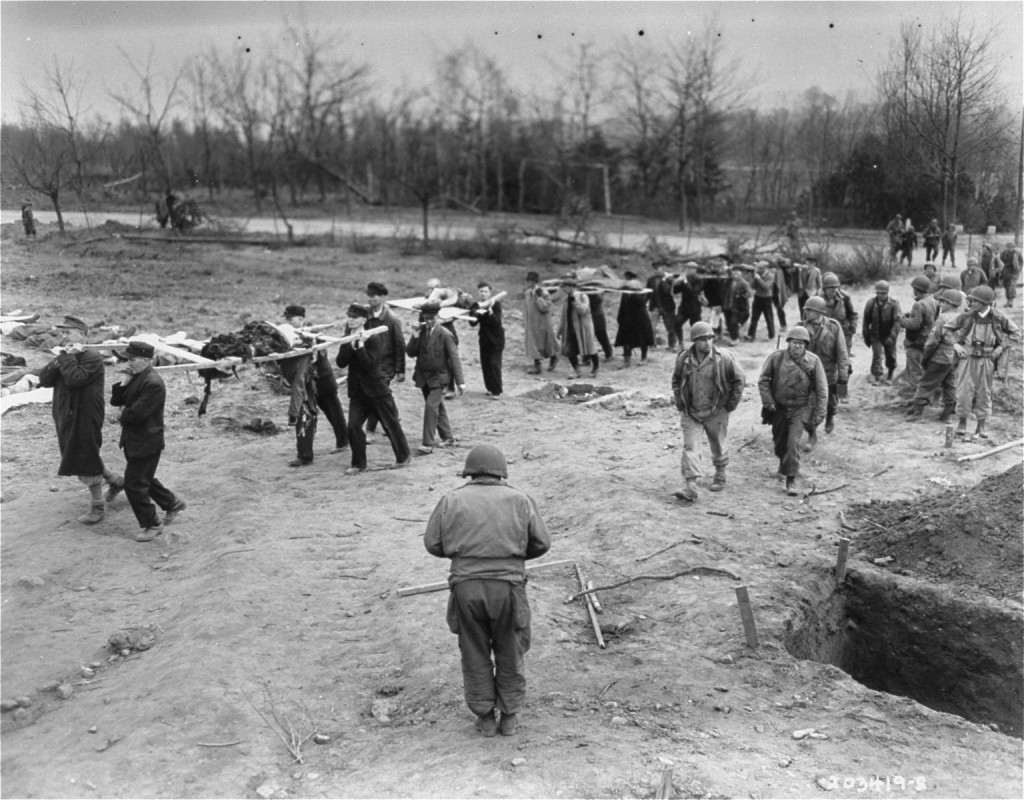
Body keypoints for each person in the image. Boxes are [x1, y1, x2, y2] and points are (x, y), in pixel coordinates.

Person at [424, 444, 551, 737]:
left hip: (466, 589)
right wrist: (513, 557)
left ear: (469, 472)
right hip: (508, 588)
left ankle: (484, 718)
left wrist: (463, 555)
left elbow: (433, 543)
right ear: (501, 472)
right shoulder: (520, 499)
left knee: (473, 650)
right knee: (510, 648)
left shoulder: (450, 500)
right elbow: (542, 543)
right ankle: (509, 717)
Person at [37, 322, 124, 525]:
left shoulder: (92, 357)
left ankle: (98, 507)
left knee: (86, 454)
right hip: (65, 413)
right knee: (79, 452)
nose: (64, 336)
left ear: (83, 335)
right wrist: (59, 359)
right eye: (63, 332)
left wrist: (65, 358)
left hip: (86, 415)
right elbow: (45, 379)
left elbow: (75, 379)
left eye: (69, 332)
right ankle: (117, 481)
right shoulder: (66, 356)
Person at [109, 341, 185, 542]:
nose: (128, 363)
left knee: (134, 484)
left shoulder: (153, 383)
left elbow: (136, 415)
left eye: (132, 359)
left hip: (146, 441)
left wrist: (120, 416)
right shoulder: (137, 377)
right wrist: (124, 382)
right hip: (135, 440)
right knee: (144, 478)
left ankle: (152, 524)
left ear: (146, 360)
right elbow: (116, 402)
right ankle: (172, 503)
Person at [670, 321, 745, 501]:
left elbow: (739, 380)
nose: (708, 343)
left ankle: (720, 473)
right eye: (703, 339)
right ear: (694, 341)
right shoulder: (684, 358)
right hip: (692, 411)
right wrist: (681, 403)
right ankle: (691, 486)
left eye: (710, 338)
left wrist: (730, 405)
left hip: (716, 410)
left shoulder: (724, 358)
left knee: (718, 444)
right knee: (690, 447)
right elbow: (676, 380)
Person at [335, 303, 411, 473]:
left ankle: (403, 456)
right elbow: (341, 362)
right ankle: (358, 464)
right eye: (349, 317)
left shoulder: (374, 338)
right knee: (353, 426)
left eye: (354, 317)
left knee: (390, 423)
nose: (350, 320)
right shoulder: (347, 337)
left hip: (377, 389)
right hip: (358, 392)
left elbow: (369, 365)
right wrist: (350, 344)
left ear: (363, 319)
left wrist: (361, 346)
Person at [757, 326, 828, 496]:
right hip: (779, 408)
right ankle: (784, 465)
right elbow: (763, 380)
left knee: (792, 443)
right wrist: (769, 401)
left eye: (801, 344)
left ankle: (791, 479)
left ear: (805, 345)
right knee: (780, 443)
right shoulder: (776, 358)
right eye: (794, 343)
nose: (797, 347)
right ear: (788, 343)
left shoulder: (813, 362)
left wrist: (820, 413)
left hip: (800, 408)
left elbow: (822, 389)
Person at [948, 285, 1020, 439]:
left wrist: (1001, 347)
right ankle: (962, 423)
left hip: (988, 360)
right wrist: (956, 344)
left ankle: (981, 426)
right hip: (967, 358)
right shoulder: (967, 316)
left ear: (985, 303)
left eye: (975, 301)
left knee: (984, 392)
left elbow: (1016, 333)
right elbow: (947, 329)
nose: (971, 303)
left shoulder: (998, 317)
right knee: (963, 391)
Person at [407, 301, 465, 455]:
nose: (429, 321)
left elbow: (454, 358)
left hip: (439, 378)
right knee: (438, 406)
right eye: (426, 318)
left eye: (432, 318)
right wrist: (414, 336)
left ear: (438, 316)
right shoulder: (421, 332)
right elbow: (411, 352)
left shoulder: (445, 334)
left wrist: (460, 382)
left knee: (431, 407)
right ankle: (448, 437)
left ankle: (427, 443)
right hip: (423, 377)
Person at [276, 306, 326, 467]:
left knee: (304, 416)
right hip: (300, 381)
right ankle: (306, 453)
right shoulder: (287, 335)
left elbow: (300, 382)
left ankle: (305, 456)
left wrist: (292, 411)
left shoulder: (310, 337)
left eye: (292, 319)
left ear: (301, 319)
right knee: (311, 415)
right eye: (288, 319)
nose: (289, 322)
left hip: (308, 383)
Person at [906, 289, 965, 421]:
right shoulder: (962, 318)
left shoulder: (942, 319)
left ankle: (917, 412)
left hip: (940, 357)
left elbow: (932, 342)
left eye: (943, 302)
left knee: (926, 383)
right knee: (950, 384)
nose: (940, 304)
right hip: (954, 357)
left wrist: (926, 358)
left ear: (950, 303)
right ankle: (947, 413)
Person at [801, 296, 849, 438]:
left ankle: (830, 417)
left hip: (829, 374)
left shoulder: (834, 327)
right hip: (809, 374)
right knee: (811, 405)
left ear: (819, 312)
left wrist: (843, 377)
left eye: (810, 310)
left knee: (831, 403)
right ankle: (812, 434)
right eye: (806, 310)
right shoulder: (801, 327)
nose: (807, 313)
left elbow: (842, 352)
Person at [364, 282, 406, 440]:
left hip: (385, 365)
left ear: (382, 297)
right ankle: (393, 420)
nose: (370, 299)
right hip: (368, 363)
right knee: (382, 395)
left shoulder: (392, 319)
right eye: (368, 296)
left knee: (376, 394)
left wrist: (400, 369)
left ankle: (370, 430)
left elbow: (399, 344)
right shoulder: (365, 316)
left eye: (373, 296)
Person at [899, 275, 939, 396]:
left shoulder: (919, 305)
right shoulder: (933, 301)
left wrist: (901, 319)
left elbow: (913, 325)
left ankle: (917, 399)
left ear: (916, 289)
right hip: (927, 340)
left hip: (916, 342)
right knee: (922, 370)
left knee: (915, 372)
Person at [468, 281, 505, 397]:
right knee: (486, 365)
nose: (483, 294)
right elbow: (472, 323)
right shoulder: (476, 305)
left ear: (490, 293)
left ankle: (497, 391)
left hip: (496, 339)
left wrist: (489, 311)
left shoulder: (495, 304)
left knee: (494, 364)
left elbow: (497, 322)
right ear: (478, 292)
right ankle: (489, 388)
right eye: (481, 291)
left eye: (486, 291)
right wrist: (474, 313)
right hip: (484, 339)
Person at [862, 281, 902, 384]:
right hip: (876, 334)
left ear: (887, 293)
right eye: (878, 293)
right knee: (877, 355)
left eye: (883, 293)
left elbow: (897, 322)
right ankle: (877, 376)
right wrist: (866, 336)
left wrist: (892, 337)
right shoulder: (870, 303)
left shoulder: (894, 304)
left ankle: (890, 374)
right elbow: (866, 321)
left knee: (890, 356)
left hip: (889, 334)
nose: (880, 295)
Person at [558, 280, 600, 378]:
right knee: (570, 350)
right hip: (571, 328)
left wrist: (575, 302)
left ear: (571, 287)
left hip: (583, 328)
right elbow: (563, 316)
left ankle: (595, 367)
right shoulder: (566, 299)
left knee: (590, 348)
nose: (563, 289)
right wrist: (559, 330)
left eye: (565, 287)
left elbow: (583, 310)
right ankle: (577, 370)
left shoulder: (582, 296)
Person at [614, 271, 656, 366]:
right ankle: (626, 360)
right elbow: (623, 304)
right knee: (625, 339)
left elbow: (642, 302)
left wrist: (633, 294)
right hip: (627, 318)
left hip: (639, 317)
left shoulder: (639, 288)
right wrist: (620, 317)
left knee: (643, 338)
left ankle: (644, 358)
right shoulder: (625, 291)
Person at [522, 271, 558, 374]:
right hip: (531, 323)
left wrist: (538, 298)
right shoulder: (527, 293)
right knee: (533, 345)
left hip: (542, 323)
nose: (528, 283)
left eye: (530, 281)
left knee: (545, 343)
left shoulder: (543, 292)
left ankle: (554, 357)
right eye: (528, 281)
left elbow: (545, 307)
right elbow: (526, 307)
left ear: (534, 282)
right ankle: (537, 366)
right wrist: (524, 320)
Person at [646, 264, 678, 349]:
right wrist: (644, 302)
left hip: (667, 306)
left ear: (663, 269)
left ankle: (672, 345)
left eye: (659, 268)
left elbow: (667, 290)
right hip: (654, 306)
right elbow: (648, 292)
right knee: (652, 326)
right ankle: (652, 344)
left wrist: (664, 280)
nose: (657, 270)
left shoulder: (669, 279)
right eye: (655, 269)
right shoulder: (650, 280)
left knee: (670, 327)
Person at [672, 263, 704, 343]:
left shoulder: (699, 280)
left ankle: (697, 344)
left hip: (695, 307)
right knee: (677, 322)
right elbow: (676, 291)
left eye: (691, 269)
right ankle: (680, 341)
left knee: (696, 327)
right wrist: (676, 283)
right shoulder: (684, 279)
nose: (688, 271)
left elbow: (693, 292)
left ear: (695, 270)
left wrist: (685, 281)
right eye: (687, 269)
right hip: (684, 307)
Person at [745, 261, 776, 342]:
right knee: (754, 318)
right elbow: (752, 286)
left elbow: (766, 287)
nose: (758, 270)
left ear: (765, 268)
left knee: (769, 317)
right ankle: (751, 335)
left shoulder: (770, 276)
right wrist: (754, 278)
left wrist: (758, 278)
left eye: (760, 268)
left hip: (767, 298)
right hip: (758, 297)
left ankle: (771, 335)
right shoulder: (757, 275)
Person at [722, 266, 751, 344]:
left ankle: (735, 339)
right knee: (728, 322)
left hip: (737, 307)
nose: (735, 275)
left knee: (733, 322)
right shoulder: (729, 282)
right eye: (734, 273)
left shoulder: (744, 283)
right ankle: (733, 335)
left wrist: (742, 295)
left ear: (740, 274)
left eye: (737, 273)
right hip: (727, 305)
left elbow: (748, 294)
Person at [586, 289, 614, 361]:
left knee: (601, 336)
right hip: (590, 315)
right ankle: (587, 357)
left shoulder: (597, 292)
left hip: (597, 316)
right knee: (587, 337)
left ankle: (608, 353)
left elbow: (597, 301)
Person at [998, 242, 1022, 307]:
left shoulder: (1017, 253)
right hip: (1005, 271)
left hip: (1014, 271)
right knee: (1007, 286)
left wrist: (1019, 269)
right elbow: (1000, 262)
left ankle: (1011, 300)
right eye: (1008, 247)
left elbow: (1021, 261)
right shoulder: (1003, 254)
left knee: (1012, 285)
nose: (1009, 249)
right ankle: (1008, 300)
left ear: (1013, 247)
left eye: (1011, 247)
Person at [771, 257, 791, 330]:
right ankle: (782, 325)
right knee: (779, 309)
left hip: (777, 292)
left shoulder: (779, 272)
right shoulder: (785, 272)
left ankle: (783, 325)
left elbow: (777, 284)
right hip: (780, 293)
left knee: (779, 309)